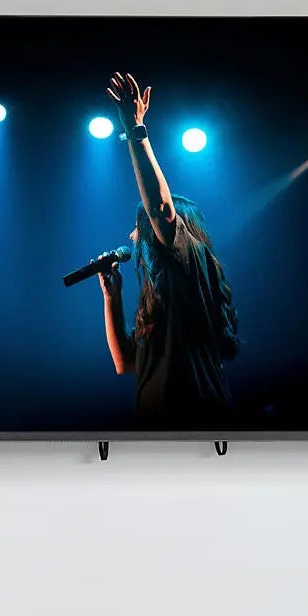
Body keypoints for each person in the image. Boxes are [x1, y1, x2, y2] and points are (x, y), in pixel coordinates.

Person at [93, 71, 238, 425]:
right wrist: (112, 299)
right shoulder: (161, 294)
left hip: (196, 422)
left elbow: (159, 207)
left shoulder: (190, 261)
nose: (132, 236)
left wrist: (134, 128)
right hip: (157, 431)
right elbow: (125, 364)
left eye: (138, 226)